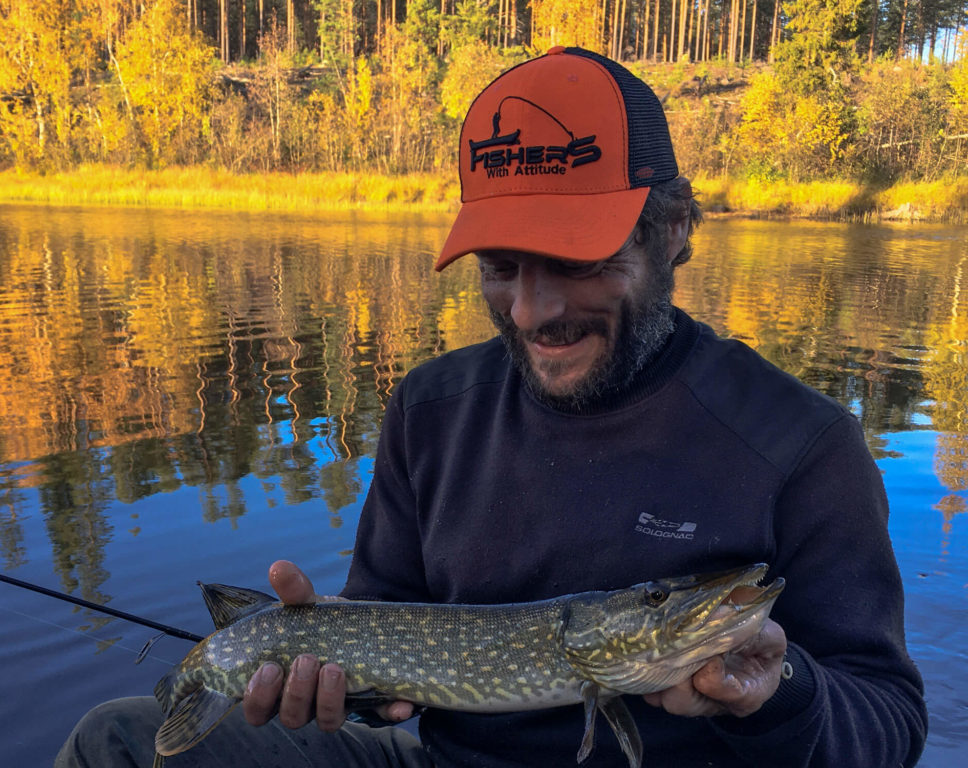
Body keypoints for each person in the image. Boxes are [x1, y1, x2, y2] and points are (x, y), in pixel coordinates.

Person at [57, 46, 927, 768]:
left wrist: (783, 693)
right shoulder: (434, 409)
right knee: (121, 744)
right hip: (443, 760)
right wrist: (334, 678)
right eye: (501, 267)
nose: (532, 312)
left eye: (578, 261)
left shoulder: (800, 443)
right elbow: (384, 656)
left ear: (672, 232)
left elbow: (889, 723)